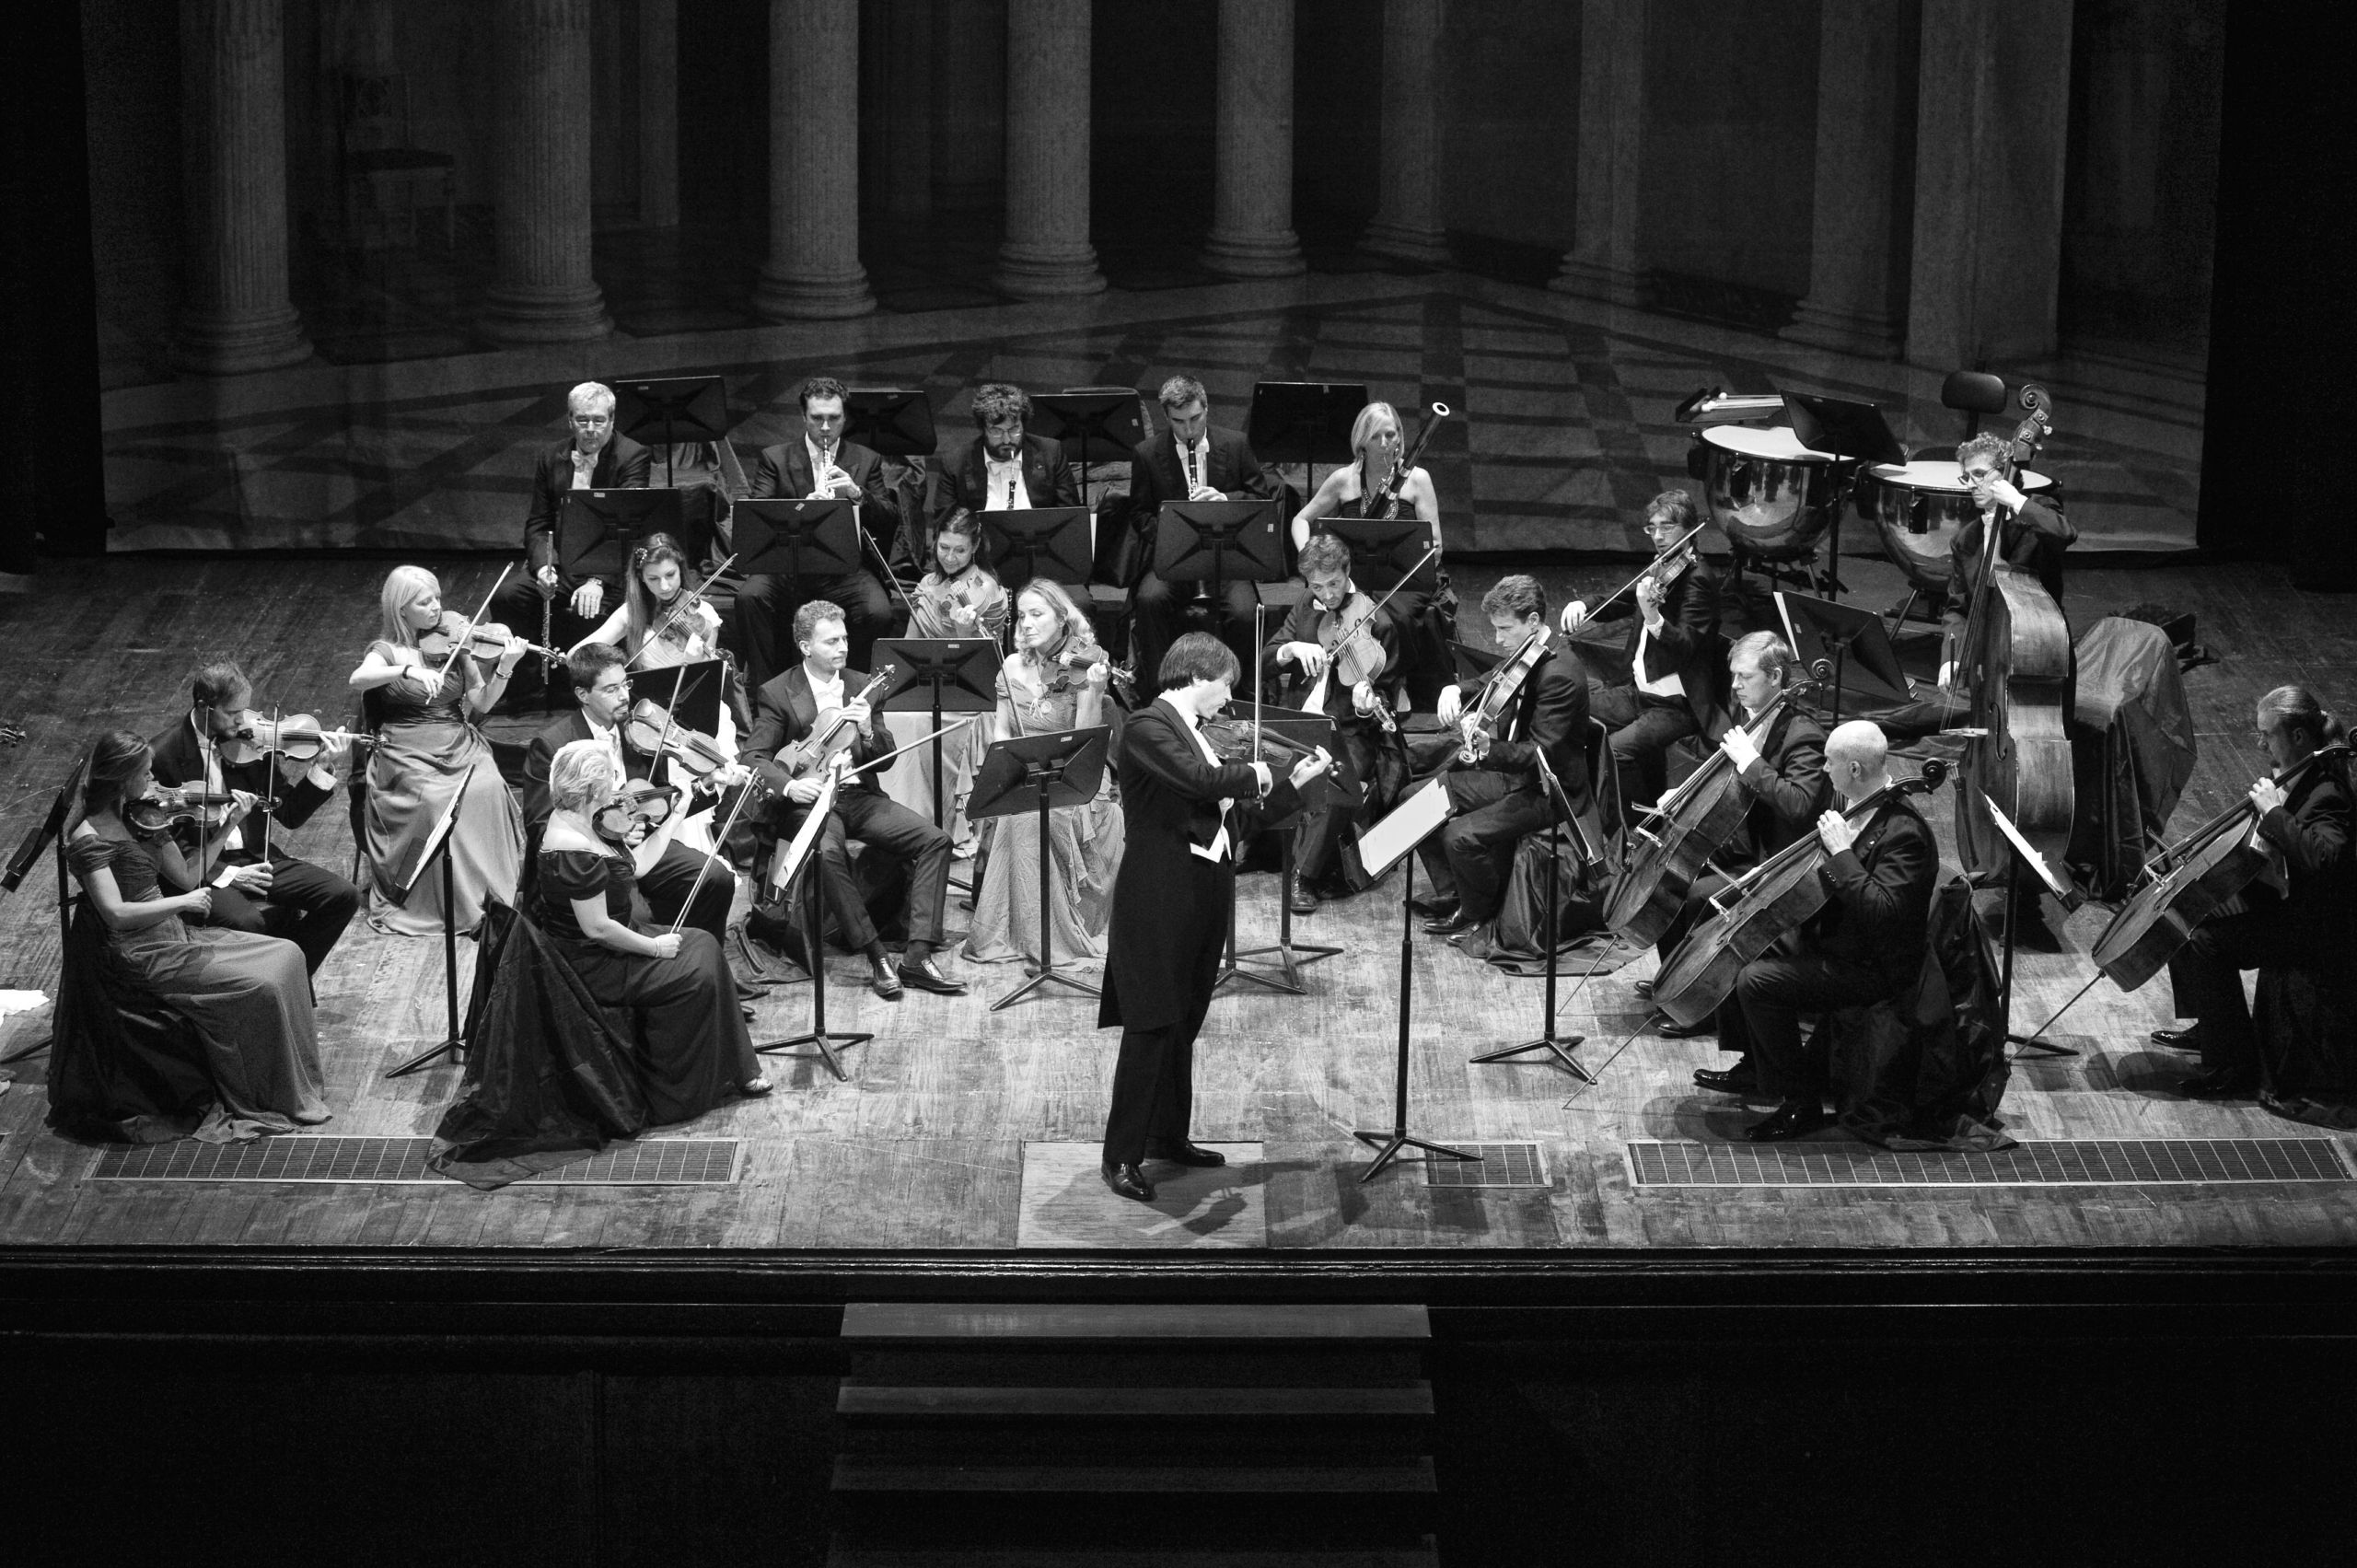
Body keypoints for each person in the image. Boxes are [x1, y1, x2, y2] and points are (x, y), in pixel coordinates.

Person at [1099, 633, 1329, 1203]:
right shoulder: (1148, 727)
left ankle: (1167, 1137)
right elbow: (1199, 783)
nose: (1229, 698)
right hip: (1158, 897)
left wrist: (1292, 785)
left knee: (1184, 1021)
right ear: (1197, 676)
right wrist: (1261, 771)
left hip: (1203, 893)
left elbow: (1234, 824)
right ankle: (1120, 1155)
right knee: (1152, 1024)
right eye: (1226, 685)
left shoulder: (1198, 735)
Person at [55, 730, 330, 1139]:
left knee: (289, 954)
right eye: (146, 775)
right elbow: (116, 914)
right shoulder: (88, 836)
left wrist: (228, 825)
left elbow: (187, 875)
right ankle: (266, 1094)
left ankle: (297, 1083)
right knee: (261, 985)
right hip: (142, 951)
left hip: (174, 934)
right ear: (122, 778)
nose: (153, 783)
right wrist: (181, 903)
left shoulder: (144, 816)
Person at [1719, 720, 1939, 1141]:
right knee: (1747, 947)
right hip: (1837, 943)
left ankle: (1800, 1104)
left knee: (1757, 982)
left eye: (1829, 762)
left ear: (1854, 769)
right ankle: (1757, 1070)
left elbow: (1883, 912)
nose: (1823, 769)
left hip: (1872, 968)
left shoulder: (1905, 833)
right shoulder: (1855, 806)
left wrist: (1840, 852)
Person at [742, 599, 968, 1000]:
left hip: (858, 794)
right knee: (827, 853)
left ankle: (917, 956)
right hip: (808, 802)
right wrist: (791, 786)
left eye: (844, 638)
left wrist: (866, 729)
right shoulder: (777, 692)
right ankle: (876, 954)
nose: (843, 647)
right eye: (831, 641)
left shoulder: (863, 684)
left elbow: (885, 757)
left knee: (936, 840)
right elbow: (754, 756)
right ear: (805, 647)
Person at [532, 739, 770, 1117]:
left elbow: (638, 865)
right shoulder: (571, 848)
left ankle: (738, 1069)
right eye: (609, 782)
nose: (616, 791)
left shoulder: (585, 821)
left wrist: (677, 815)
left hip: (615, 942)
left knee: (704, 944)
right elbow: (598, 929)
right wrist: (656, 948)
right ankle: (679, 1093)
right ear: (592, 790)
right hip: (595, 963)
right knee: (696, 972)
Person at [1642, 634, 1831, 1077]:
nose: (1735, 686)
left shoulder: (1803, 735)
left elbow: (1800, 804)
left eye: (1745, 677)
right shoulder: (1755, 717)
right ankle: (1682, 981)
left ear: (1776, 677)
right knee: (1679, 884)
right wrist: (1684, 792)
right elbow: (1726, 776)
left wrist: (1752, 763)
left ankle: (1708, 1009)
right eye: (1733, 676)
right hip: (1749, 845)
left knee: (1702, 899)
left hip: (1785, 863)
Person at [2154, 686, 2355, 1098]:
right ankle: (2213, 1026)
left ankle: (2235, 1067)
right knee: (2191, 907)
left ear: (2298, 736)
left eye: (2267, 734)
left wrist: (2273, 812)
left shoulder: (2328, 791)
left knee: (2208, 943)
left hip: (2315, 926)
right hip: (2289, 901)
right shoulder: (2297, 774)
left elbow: (2324, 858)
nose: (2261, 743)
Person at [521, 644, 749, 978]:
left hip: (642, 847)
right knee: (633, 915)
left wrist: (705, 786)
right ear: (583, 695)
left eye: (625, 684)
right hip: (592, 860)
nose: (624, 696)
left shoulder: (641, 732)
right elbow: (541, 825)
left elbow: (656, 801)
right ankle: (651, 981)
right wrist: (610, 833)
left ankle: (704, 971)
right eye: (611, 689)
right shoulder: (554, 744)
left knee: (715, 878)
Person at [1415, 575, 1594, 962]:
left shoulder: (1560, 674)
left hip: (1547, 791)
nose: (1496, 639)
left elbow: (1541, 754)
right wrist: (1455, 689)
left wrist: (1488, 749)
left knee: (1459, 836)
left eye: (1504, 629)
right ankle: (1458, 892)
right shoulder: (1528, 650)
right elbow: (1492, 678)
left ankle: (1478, 913)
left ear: (1533, 621)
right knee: (1419, 799)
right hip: (1513, 776)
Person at [145, 661, 361, 978]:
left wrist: (322, 766)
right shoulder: (163, 755)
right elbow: (171, 844)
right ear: (204, 706)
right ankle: (280, 984)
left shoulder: (251, 741)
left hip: (257, 857)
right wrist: (230, 874)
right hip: (204, 868)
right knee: (249, 922)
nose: (241, 720)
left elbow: (289, 813)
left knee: (343, 895)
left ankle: (292, 979)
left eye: (244, 711)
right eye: (232, 713)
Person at [349, 565, 528, 936]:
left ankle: (489, 894)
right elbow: (358, 679)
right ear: (401, 609)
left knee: (489, 786)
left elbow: (482, 701)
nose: (436, 608)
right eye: (424, 602)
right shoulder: (386, 651)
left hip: (457, 742)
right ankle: (451, 902)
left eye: (437, 599)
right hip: (405, 749)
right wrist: (407, 672)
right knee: (434, 803)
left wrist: (505, 668)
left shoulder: (455, 645)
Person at [963, 579, 1125, 966]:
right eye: (1023, 616)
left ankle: (1051, 935)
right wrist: (1005, 769)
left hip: (1074, 772)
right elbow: (1002, 731)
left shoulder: (1084, 664)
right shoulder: (1012, 664)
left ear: (1062, 618)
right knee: (1020, 811)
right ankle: (1026, 931)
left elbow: (1085, 738)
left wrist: (1094, 690)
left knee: (1032, 815)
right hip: (1025, 766)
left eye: (1037, 614)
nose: (1027, 623)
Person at [1560, 490, 1724, 819]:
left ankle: (1634, 824)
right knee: (1568, 709)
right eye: (1652, 528)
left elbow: (1686, 645)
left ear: (1689, 529)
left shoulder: (1699, 580)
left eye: (1667, 527)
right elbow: (1623, 599)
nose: (1658, 536)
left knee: (1614, 750)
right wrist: (1585, 604)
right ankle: (1579, 804)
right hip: (1638, 692)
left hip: (1675, 705)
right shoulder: (1662, 567)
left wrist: (1653, 617)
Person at [1264, 531, 1405, 912]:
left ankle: (1305, 875)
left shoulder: (1379, 622)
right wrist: (1291, 649)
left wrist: (1366, 706)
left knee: (1338, 782)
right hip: (1298, 721)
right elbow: (1265, 660)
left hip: (1349, 731)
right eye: (1317, 586)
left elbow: (1388, 698)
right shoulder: (1305, 605)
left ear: (1347, 571)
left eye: (1334, 584)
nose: (1327, 595)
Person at [734, 375, 901, 690]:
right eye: (817, 418)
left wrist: (857, 494)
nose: (825, 427)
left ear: (845, 417)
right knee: (750, 597)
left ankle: (856, 692)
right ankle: (768, 695)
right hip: (785, 566)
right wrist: (802, 509)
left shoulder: (866, 459)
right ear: (803, 416)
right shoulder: (775, 458)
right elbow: (757, 515)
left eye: (834, 418)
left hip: (844, 568)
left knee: (878, 612)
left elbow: (889, 519)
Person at [490, 380, 652, 706]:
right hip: (562, 564)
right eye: (582, 420)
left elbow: (628, 531)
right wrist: (544, 568)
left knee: (587, 609)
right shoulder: (551, 457)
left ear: (612, 420)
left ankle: (577, 691)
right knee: (508, 597)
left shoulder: (632, 456)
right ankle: (526, 688)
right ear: (570, 420)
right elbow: (538, 523)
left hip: (609, 569)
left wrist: (597, 581)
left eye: (599, 420)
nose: (590, 429)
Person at [1291, 401, 1446, 708]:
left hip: (1404, 581)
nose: (1386, 443)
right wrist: (1311, 562)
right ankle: (1320, 691)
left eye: (1391, 434)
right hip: (1354, 578)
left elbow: (1436, 546)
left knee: (1394, 617)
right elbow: (1300, 520)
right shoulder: (1343, 479)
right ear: (1361, 440)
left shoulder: (1418, 479)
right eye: (1376, 436)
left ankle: (1392, 684)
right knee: (1314, 607)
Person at [1126, 375, 1278, 683]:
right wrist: (1172, 534)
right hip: (1175, 561)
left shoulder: (1235, 444)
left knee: (1245, 612)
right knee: (1149, 600)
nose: (1189, 430)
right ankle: (1160, 691)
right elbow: (1140, 514)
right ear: (1166, 417)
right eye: (1179, 422)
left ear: (1206, 409)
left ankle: (1239, 691)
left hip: (1228, 559)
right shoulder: (1147, 453)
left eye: (1195, 418)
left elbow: (1261, 500)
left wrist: (1226, 500)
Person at [881, 508, 1009, 855]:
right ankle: (897, 823)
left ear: (975, 547)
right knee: (890, 716)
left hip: (968, 695)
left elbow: (981, 665)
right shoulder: (927, 584)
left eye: (960, 550)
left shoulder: (987, 590)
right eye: (944, 548)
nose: (950, 557)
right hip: (925, 685)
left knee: (919, 723)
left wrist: (965, 631)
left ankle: (931, 827)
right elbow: (908, 646)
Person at [1937, 430, 2076, 691]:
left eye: (1979, 474)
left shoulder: (2037, 511)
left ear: (2005, 473)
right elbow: (1957, 608)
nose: (1971, 484)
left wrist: (2015, 501)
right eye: (1967, 477)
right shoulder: (1965, 539)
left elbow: (2064, 533)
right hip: (1987, 661)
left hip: (2041, 649)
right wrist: (1951, 657)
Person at [935, 381, 1083, 524]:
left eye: (1014, 430)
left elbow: (1071, 517)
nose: (1006, 440)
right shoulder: (955, 463)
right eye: (996, 431)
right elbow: (944, 525)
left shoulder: (1051, 452)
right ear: (983, 429)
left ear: (1023, 425)